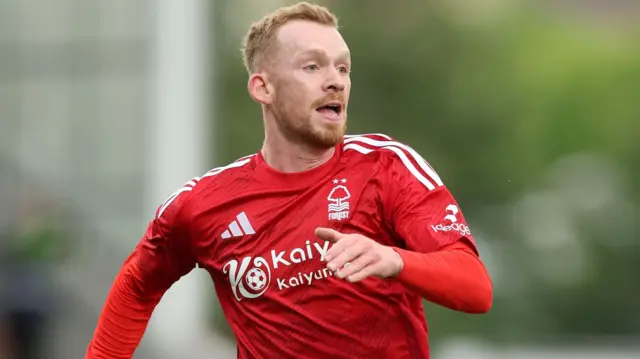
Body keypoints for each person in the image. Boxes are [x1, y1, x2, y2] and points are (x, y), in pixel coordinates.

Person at [85, 2, 492, 358]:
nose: (335, 80)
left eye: (343, 67)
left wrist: (395, 260)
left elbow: (475, 287)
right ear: (263, 87)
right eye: (312, 66)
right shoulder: (201, 205)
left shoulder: (386, 167)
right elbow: (137, 285)